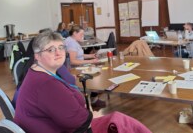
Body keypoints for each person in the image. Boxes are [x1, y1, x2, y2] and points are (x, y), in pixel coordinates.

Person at [14, 31, 152, 133]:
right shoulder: (46, 84)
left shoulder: (36, 72)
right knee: (120, 121)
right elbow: (76, 121)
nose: (58, 53)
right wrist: (92, 115)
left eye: (61, 48)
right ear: (37, 56)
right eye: (50, 50)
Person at [64, 25, 106, 108]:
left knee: (96, 73)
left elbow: (80, 55)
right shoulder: (71, 43)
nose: (82, 36)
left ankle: (93, 99)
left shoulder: (72, 40)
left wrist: (91, 56)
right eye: (81, 34)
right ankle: (93, 100)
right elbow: (73, 61)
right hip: (75, 69)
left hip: (79, 66)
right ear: (75, 33)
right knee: (96, 76)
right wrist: (91, 61)